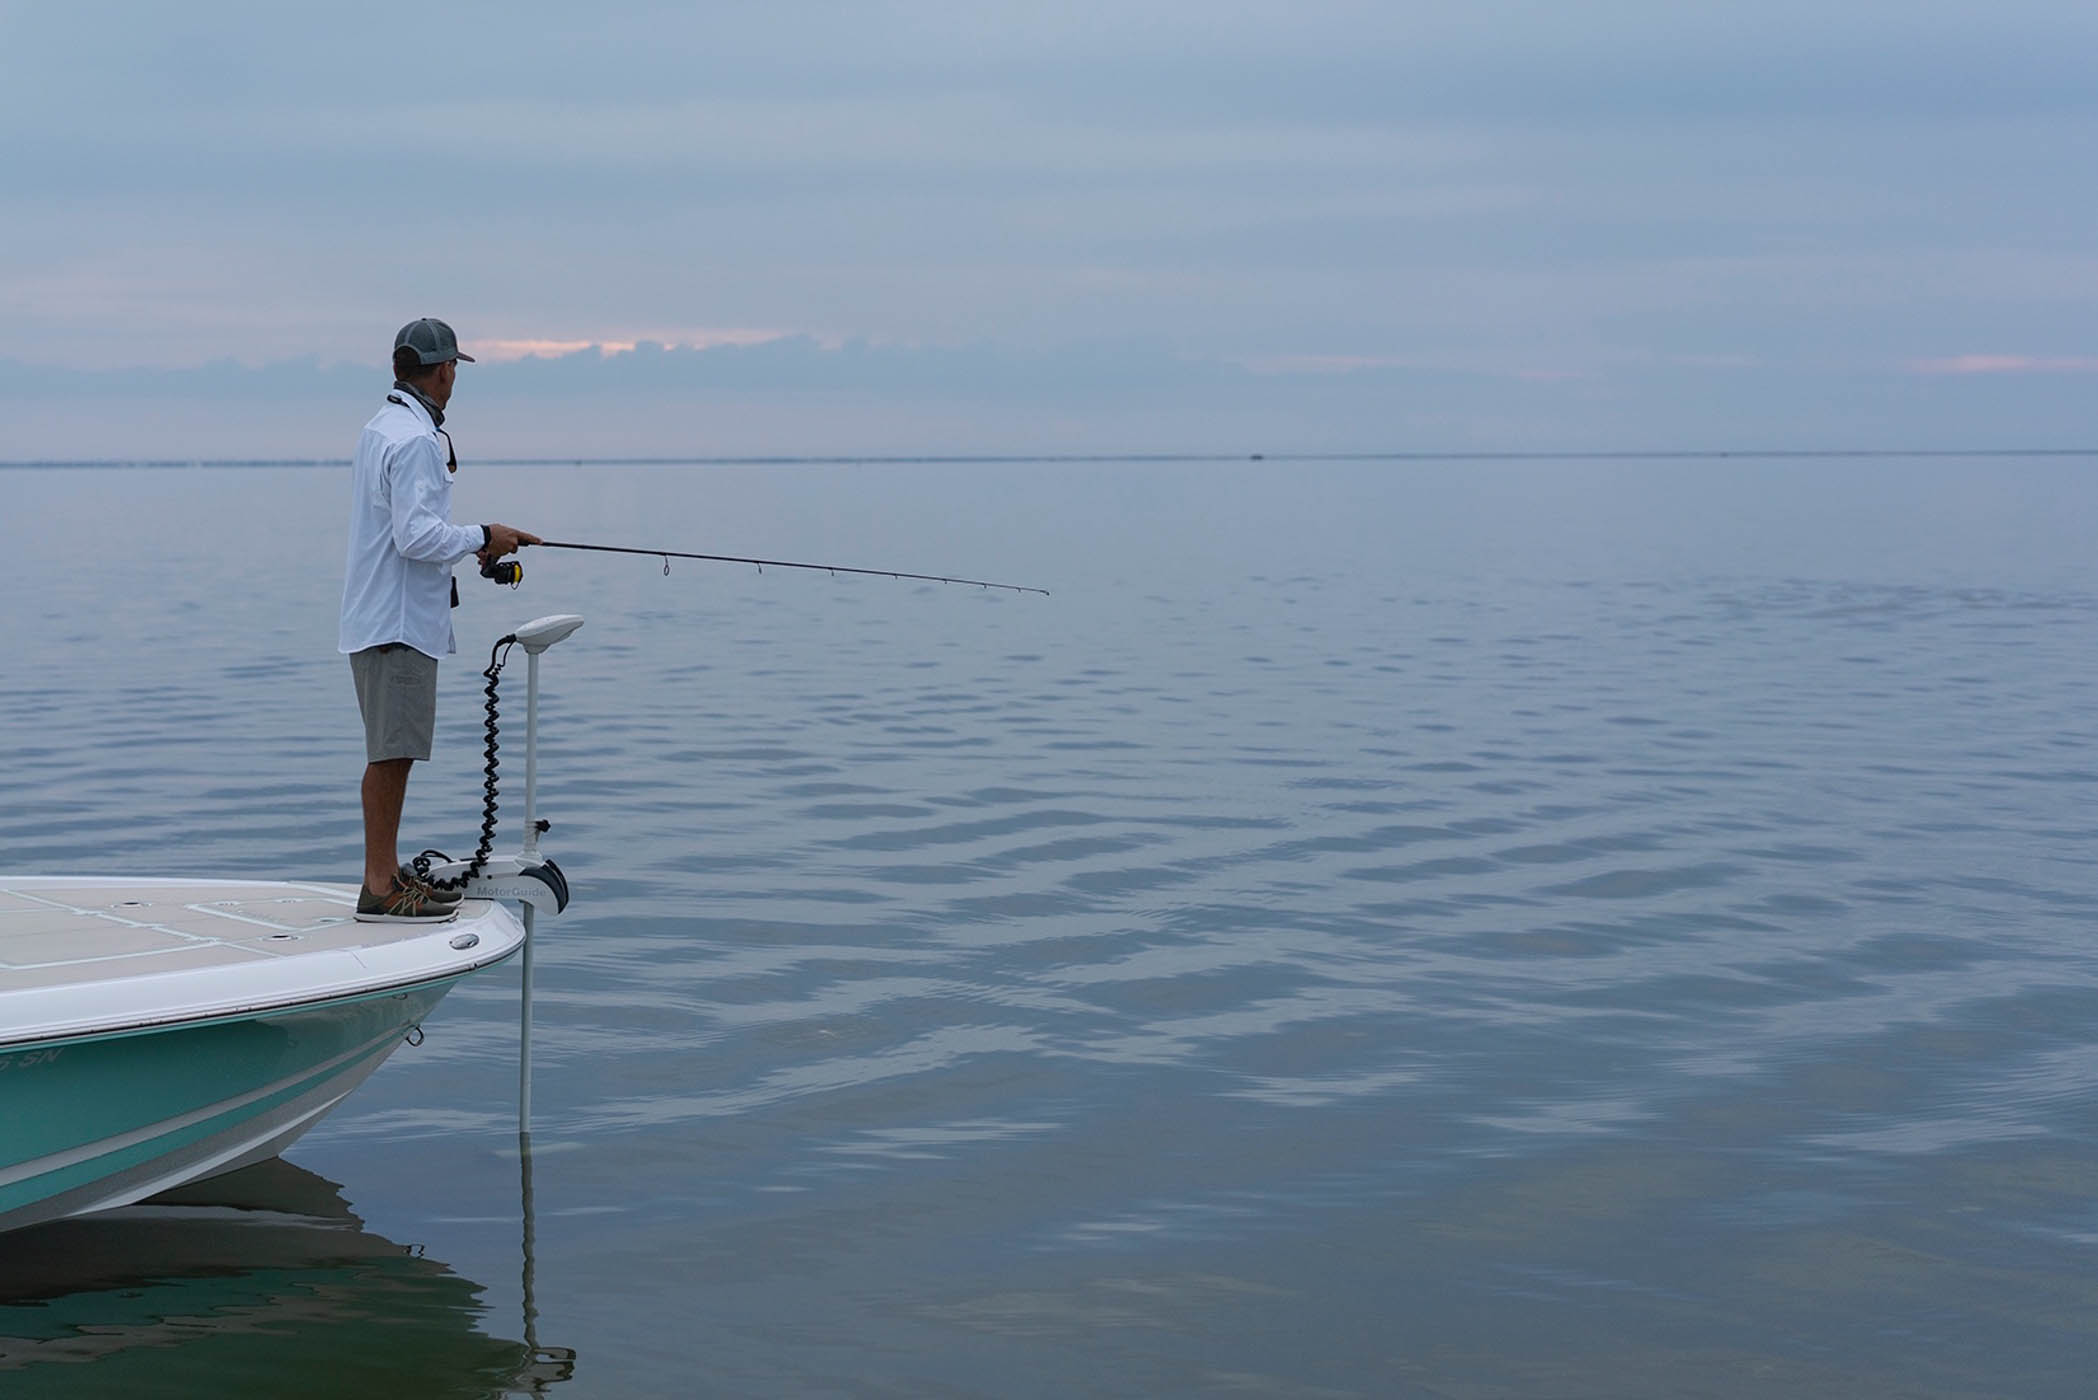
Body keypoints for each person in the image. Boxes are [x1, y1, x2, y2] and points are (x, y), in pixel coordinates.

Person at [340, 318, 541, 921]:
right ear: (442, 369)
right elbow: (415, 535)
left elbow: (412, 531)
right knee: (391, 753)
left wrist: (472, 543)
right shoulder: (417, 440)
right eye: (454, 366)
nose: (455, 376)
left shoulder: (383, 428)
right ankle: (380, 886)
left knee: (391, 750)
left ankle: (387, 873)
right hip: (397, 623)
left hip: (378, 617)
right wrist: (485, 534)